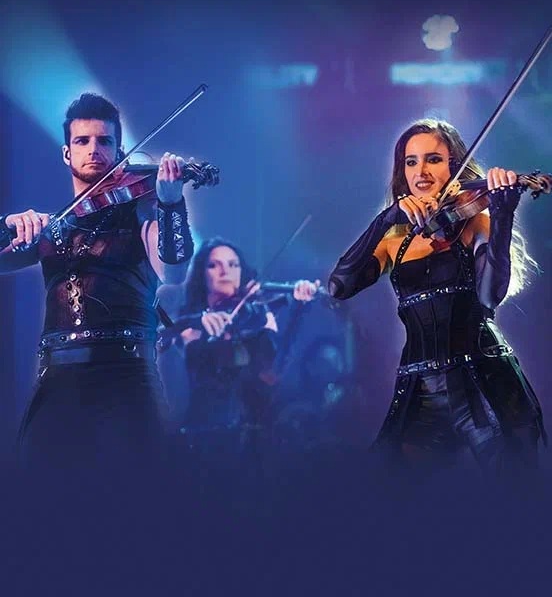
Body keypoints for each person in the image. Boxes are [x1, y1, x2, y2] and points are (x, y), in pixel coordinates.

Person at [328, 118, 546, 476]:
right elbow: (339, 286)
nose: (421, 171)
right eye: (411, 161)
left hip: (484, 378)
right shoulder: (394, 240)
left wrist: (502, 215)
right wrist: (384, 220)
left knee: (514, 488)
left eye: (433, 159)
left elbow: (489, 297)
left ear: (453, 166)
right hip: (420, 388)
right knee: (387, 489)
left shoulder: (476, 223)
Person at [0, 93, 195, 473]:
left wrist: (171, 203)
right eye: (82, 140)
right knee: (39, 493)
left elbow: (174, 272)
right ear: (66, 153)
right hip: (58, 378)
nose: (94, 149)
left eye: (104, 141)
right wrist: (7, 225)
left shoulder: (141, 213)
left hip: (127, 375)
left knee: (138, 493)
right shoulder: (52, 227)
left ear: (120, 151)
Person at [157, 237, 319, 490]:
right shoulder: (190, 326)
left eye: (233, 265)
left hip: (256, 444)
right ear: (201, 274)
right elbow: (159, 340)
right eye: (215, 265)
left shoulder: (258, 316)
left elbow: (275, 371)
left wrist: (299, 309)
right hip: (204, 441)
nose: (226, 271)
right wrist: (196, 322)